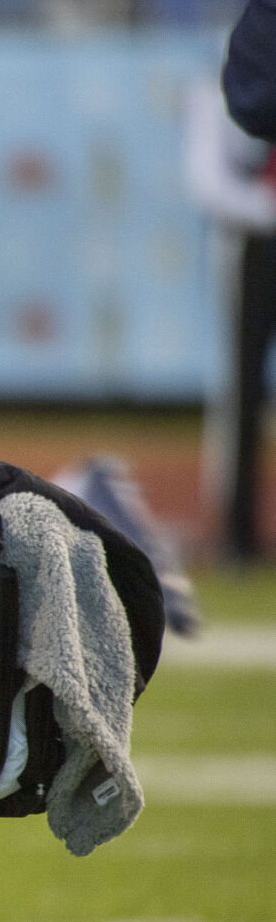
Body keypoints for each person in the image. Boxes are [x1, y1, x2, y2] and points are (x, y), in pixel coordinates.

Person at [186, 68, 276, 562]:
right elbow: (208, 180)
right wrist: (267, 204)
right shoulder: (220, 80)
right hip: (255, 241)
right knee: (242, 393)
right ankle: (239, 537)